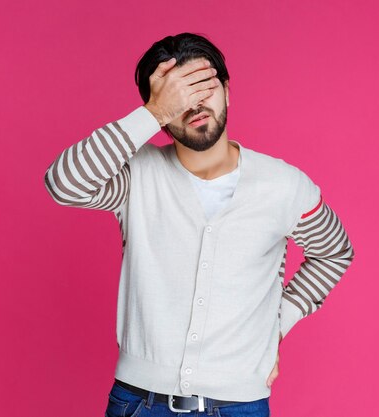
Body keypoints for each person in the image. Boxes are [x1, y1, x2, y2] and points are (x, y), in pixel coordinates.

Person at [44, 32, 355, 417]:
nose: (194, 105)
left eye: (202, 87)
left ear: (227, 88)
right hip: (138, 402)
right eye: (178, 95)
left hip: (240, 404)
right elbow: (63, 183)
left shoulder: (284, 186)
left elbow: (335, 252)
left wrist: (276, 326)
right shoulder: (135, 178)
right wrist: (154, 113)